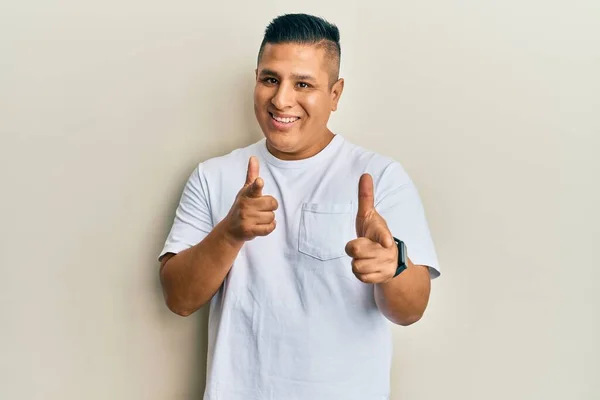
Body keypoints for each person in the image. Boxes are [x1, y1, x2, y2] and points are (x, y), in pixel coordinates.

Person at [158, 13, 440, 400]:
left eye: (303, 83)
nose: (281, 99)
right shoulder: (213, 175)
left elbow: (410, 311)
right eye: (270, 79)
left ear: (335, 94)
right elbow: (179, 299)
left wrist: (395, 266)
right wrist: (230, 232)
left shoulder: (379, 177)